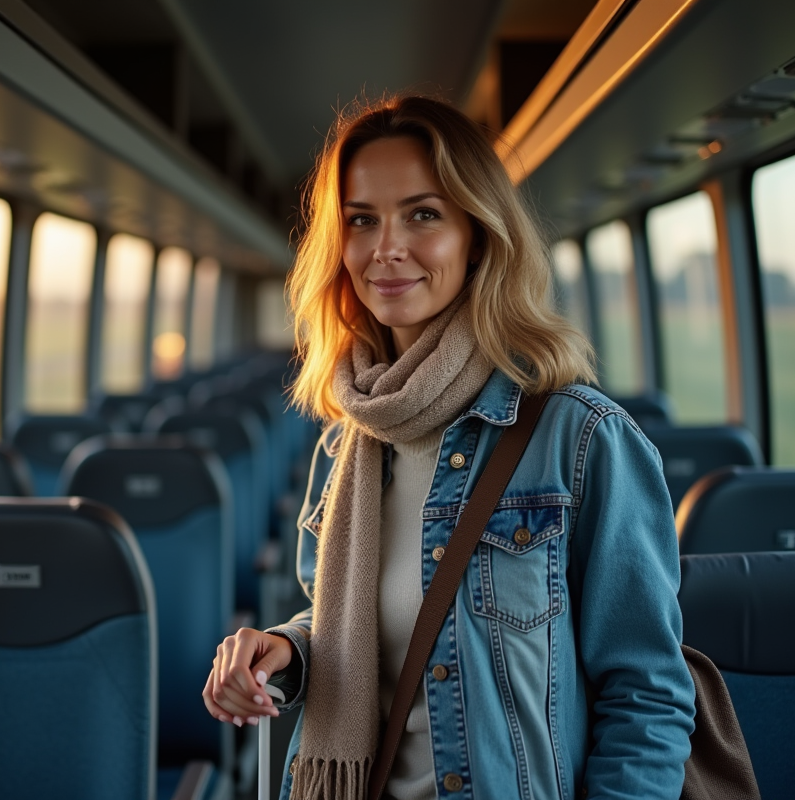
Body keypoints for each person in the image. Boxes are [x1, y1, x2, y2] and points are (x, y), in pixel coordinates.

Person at [202, 95, 695, 800]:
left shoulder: (581, 439)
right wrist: (284, 650)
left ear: (479, 234)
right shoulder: (348, 443)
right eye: (362, 220)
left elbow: (647, 698)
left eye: (423, 215)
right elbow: (356, 625)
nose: (386, 248)